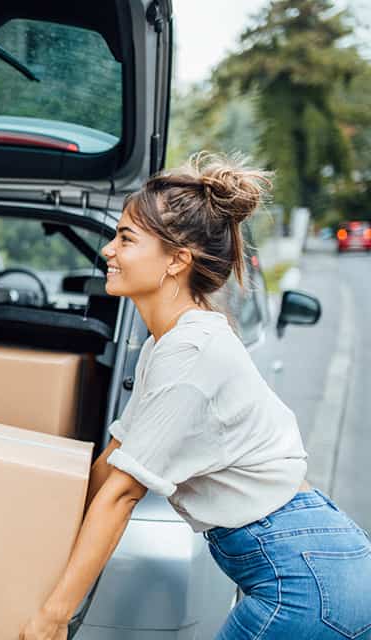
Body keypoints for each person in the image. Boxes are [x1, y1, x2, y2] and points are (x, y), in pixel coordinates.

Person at [20, 153, 371, 640]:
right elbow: (114, 462)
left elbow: (123, 494)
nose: (107, 250)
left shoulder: (191, 352)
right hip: (310, 562)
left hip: (306, 580)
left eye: (125, 238)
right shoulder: (167, 344)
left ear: (176, 260)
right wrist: (44, 518)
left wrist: (53, 616)